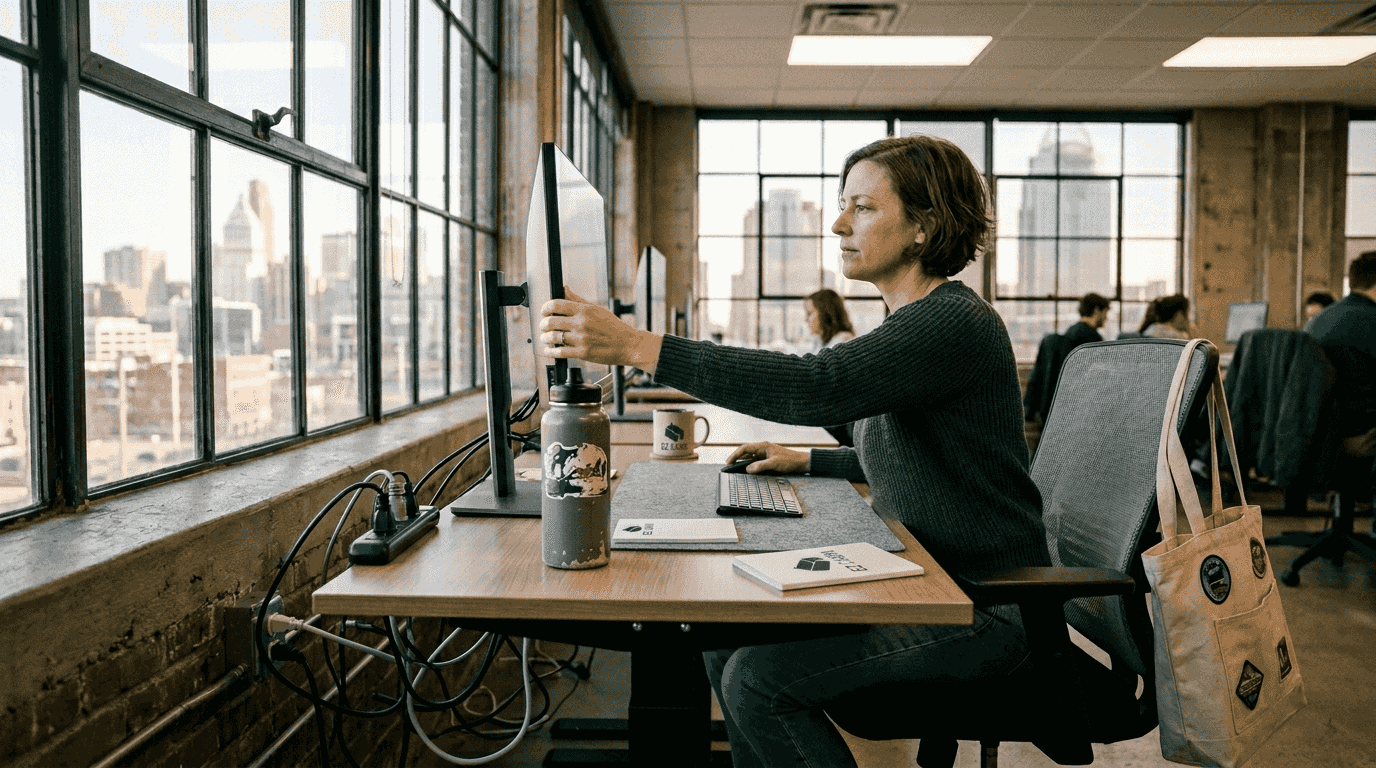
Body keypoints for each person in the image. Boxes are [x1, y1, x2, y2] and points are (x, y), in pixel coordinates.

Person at [538, 135, 1049, 768]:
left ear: (925, 226)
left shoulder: (950, 323)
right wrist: (808, 461)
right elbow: (916, 453)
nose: (838, 224)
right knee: (728, 641)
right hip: (931, 580)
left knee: (759, 681)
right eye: (843, 205)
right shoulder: (911, 322)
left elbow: (816, 388)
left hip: (987, 607)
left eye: (862, 207)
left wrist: (640, 346)